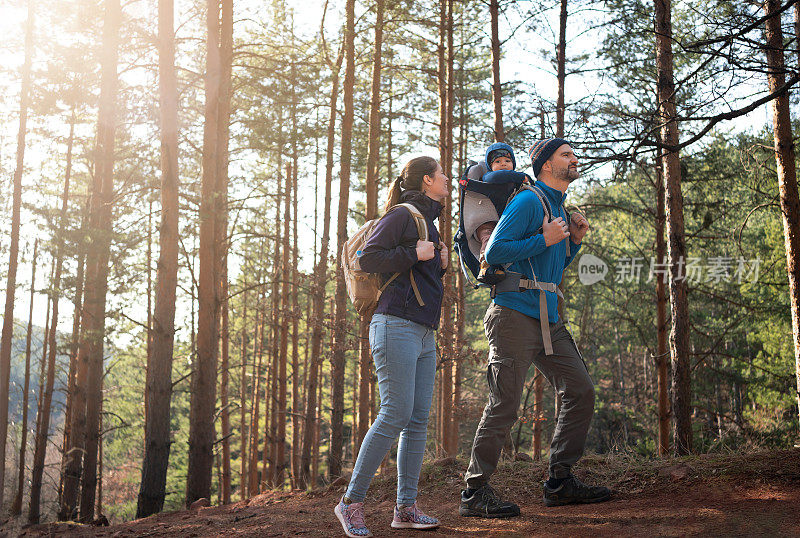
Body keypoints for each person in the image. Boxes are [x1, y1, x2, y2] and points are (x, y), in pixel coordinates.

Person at [459, 138, 610, 518]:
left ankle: (559, 482)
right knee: (504, 405)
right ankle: (474, 492)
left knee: (580, 390)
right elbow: (494, 252)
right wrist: (544, 237)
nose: (575, 159)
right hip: (512, 315)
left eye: (574, 154)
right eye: (566, 155)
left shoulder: (559, 206)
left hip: (549, 318)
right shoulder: (529, 201)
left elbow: (549, 266)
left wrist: (571, 242)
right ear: (545, 165)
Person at [334, 156, 449, 538]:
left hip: (422, 331)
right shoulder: (403, 214)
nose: (448, 178)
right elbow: (370, 257)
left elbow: (414, 275)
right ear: (429, 180)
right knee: (394, 414)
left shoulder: (427, 222)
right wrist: (414, 254)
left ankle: (406, 508)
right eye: (442, 174)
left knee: (416, 420)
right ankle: (350, 503)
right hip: (394, 325)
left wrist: (439, 264)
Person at [474, 142, 517, 281]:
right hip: (487, 221)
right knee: (488, 237)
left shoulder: (515, 182)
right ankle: (485, 265)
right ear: (490, 166)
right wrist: (520, 176)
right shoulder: (490, 178)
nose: (503, 164)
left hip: (504, 221)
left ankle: (499, 267)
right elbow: (496, 177)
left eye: (507, 161)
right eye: (498, 161)